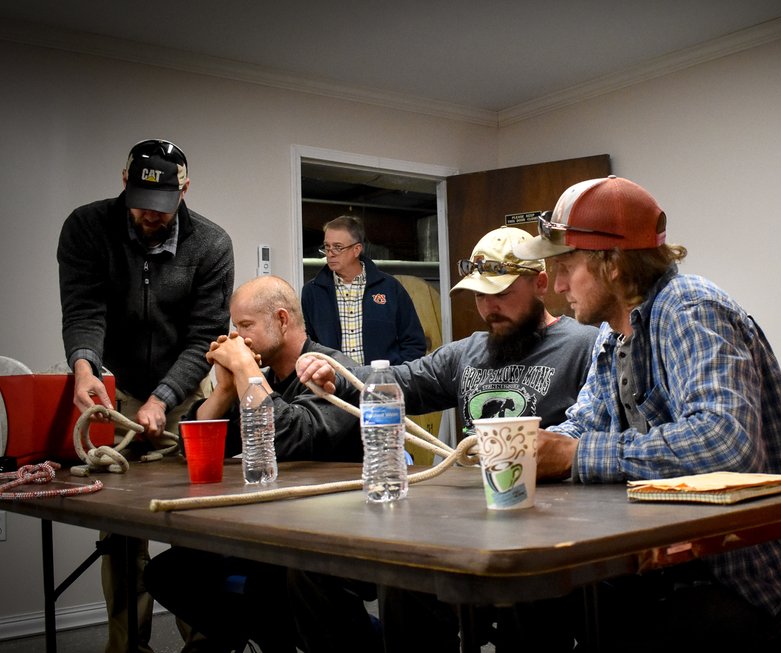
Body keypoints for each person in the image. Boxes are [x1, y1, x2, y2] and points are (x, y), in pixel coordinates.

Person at [511, 176, 781, 652]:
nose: (556, 286)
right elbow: (584, 424)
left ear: (612, 263)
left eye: (566, 267)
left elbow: (726, 443)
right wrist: (527, 448)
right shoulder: (612, 335)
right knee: (541, 593)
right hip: (692, 565)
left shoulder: (690, 309)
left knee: (626, 635)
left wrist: (575, 456)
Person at [291, 226, 600, 652]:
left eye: (501, 293)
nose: (489, 307)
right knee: (400, 577)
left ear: (541, 283)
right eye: (479, 295)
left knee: (528, 602)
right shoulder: (467, 352)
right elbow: (394, 380)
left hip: (547, 530)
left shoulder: (586, 345)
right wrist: (330, 368)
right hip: (470, 522)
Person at [57, 138, 234, 653]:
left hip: (188, 393)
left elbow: (203, 338)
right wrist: (84, 369)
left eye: (161, 206)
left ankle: (203, 643)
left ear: (185, 189)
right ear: (124, 181)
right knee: (119, 532)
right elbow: (83, 310)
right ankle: (127, 645)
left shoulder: (212, 244)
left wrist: (163, 398)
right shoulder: (87, 227)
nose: (149, 215)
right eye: (140, 203)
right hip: (114, 389)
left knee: (193, 522)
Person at [144, 274, 363, 653]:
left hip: (328, 534)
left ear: (282, 320)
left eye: (246, 325)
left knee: (277, 579)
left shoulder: (332, 370)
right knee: (168, 573)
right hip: (270, 530)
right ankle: (266, 637)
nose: (237, 337)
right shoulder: (260, 381)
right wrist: (226, 390)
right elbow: (194, 447)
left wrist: (245, 370)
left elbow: (288, 437)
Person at [301, 214, 426, 365]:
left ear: (357, 249)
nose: (330, 253)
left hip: (382, 378)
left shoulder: (390, 288)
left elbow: (414, 344)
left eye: (338, 247)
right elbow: (306, 346)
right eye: (327, 247)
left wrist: (393, 374)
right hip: (333, 379)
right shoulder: (312, 292)